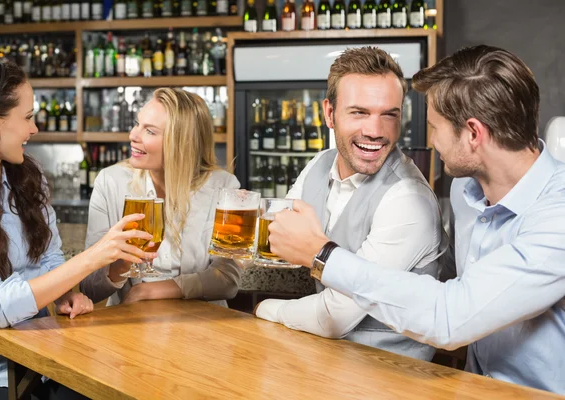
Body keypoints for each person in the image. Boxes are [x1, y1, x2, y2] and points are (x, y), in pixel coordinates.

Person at [268, 45, 565, 394]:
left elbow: (450, 316)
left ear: (473, 134)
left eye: (434, 127)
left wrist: (322, 254)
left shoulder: (557, 216)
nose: (429, 141)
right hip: (473, 387)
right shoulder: (465, 193)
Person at [0, 58, 156, 399]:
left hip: (41, 355)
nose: (34, 128)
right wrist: (93, 258)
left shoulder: (26, 179)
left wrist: (68, 293)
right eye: (27, 117)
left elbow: (50, 261)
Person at [253, 47, 446, 361]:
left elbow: (333, 317)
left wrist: (264, 309)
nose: (375, 131)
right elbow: (280, 231)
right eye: (359, 112)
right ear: (329, 113)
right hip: (324, 358)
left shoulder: (408, 200)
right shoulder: (319, 164)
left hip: (389, 374)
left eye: (389, 115)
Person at [79, 88, 242, 306]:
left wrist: (154, 290)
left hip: (202, 328)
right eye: (137, 124)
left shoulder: (223, 187)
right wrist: (119, 265)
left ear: (181, 143)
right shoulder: (110, 182)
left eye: (150, 131)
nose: (133, 136)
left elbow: (228, 279)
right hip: (130, 328)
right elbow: (89, 287)